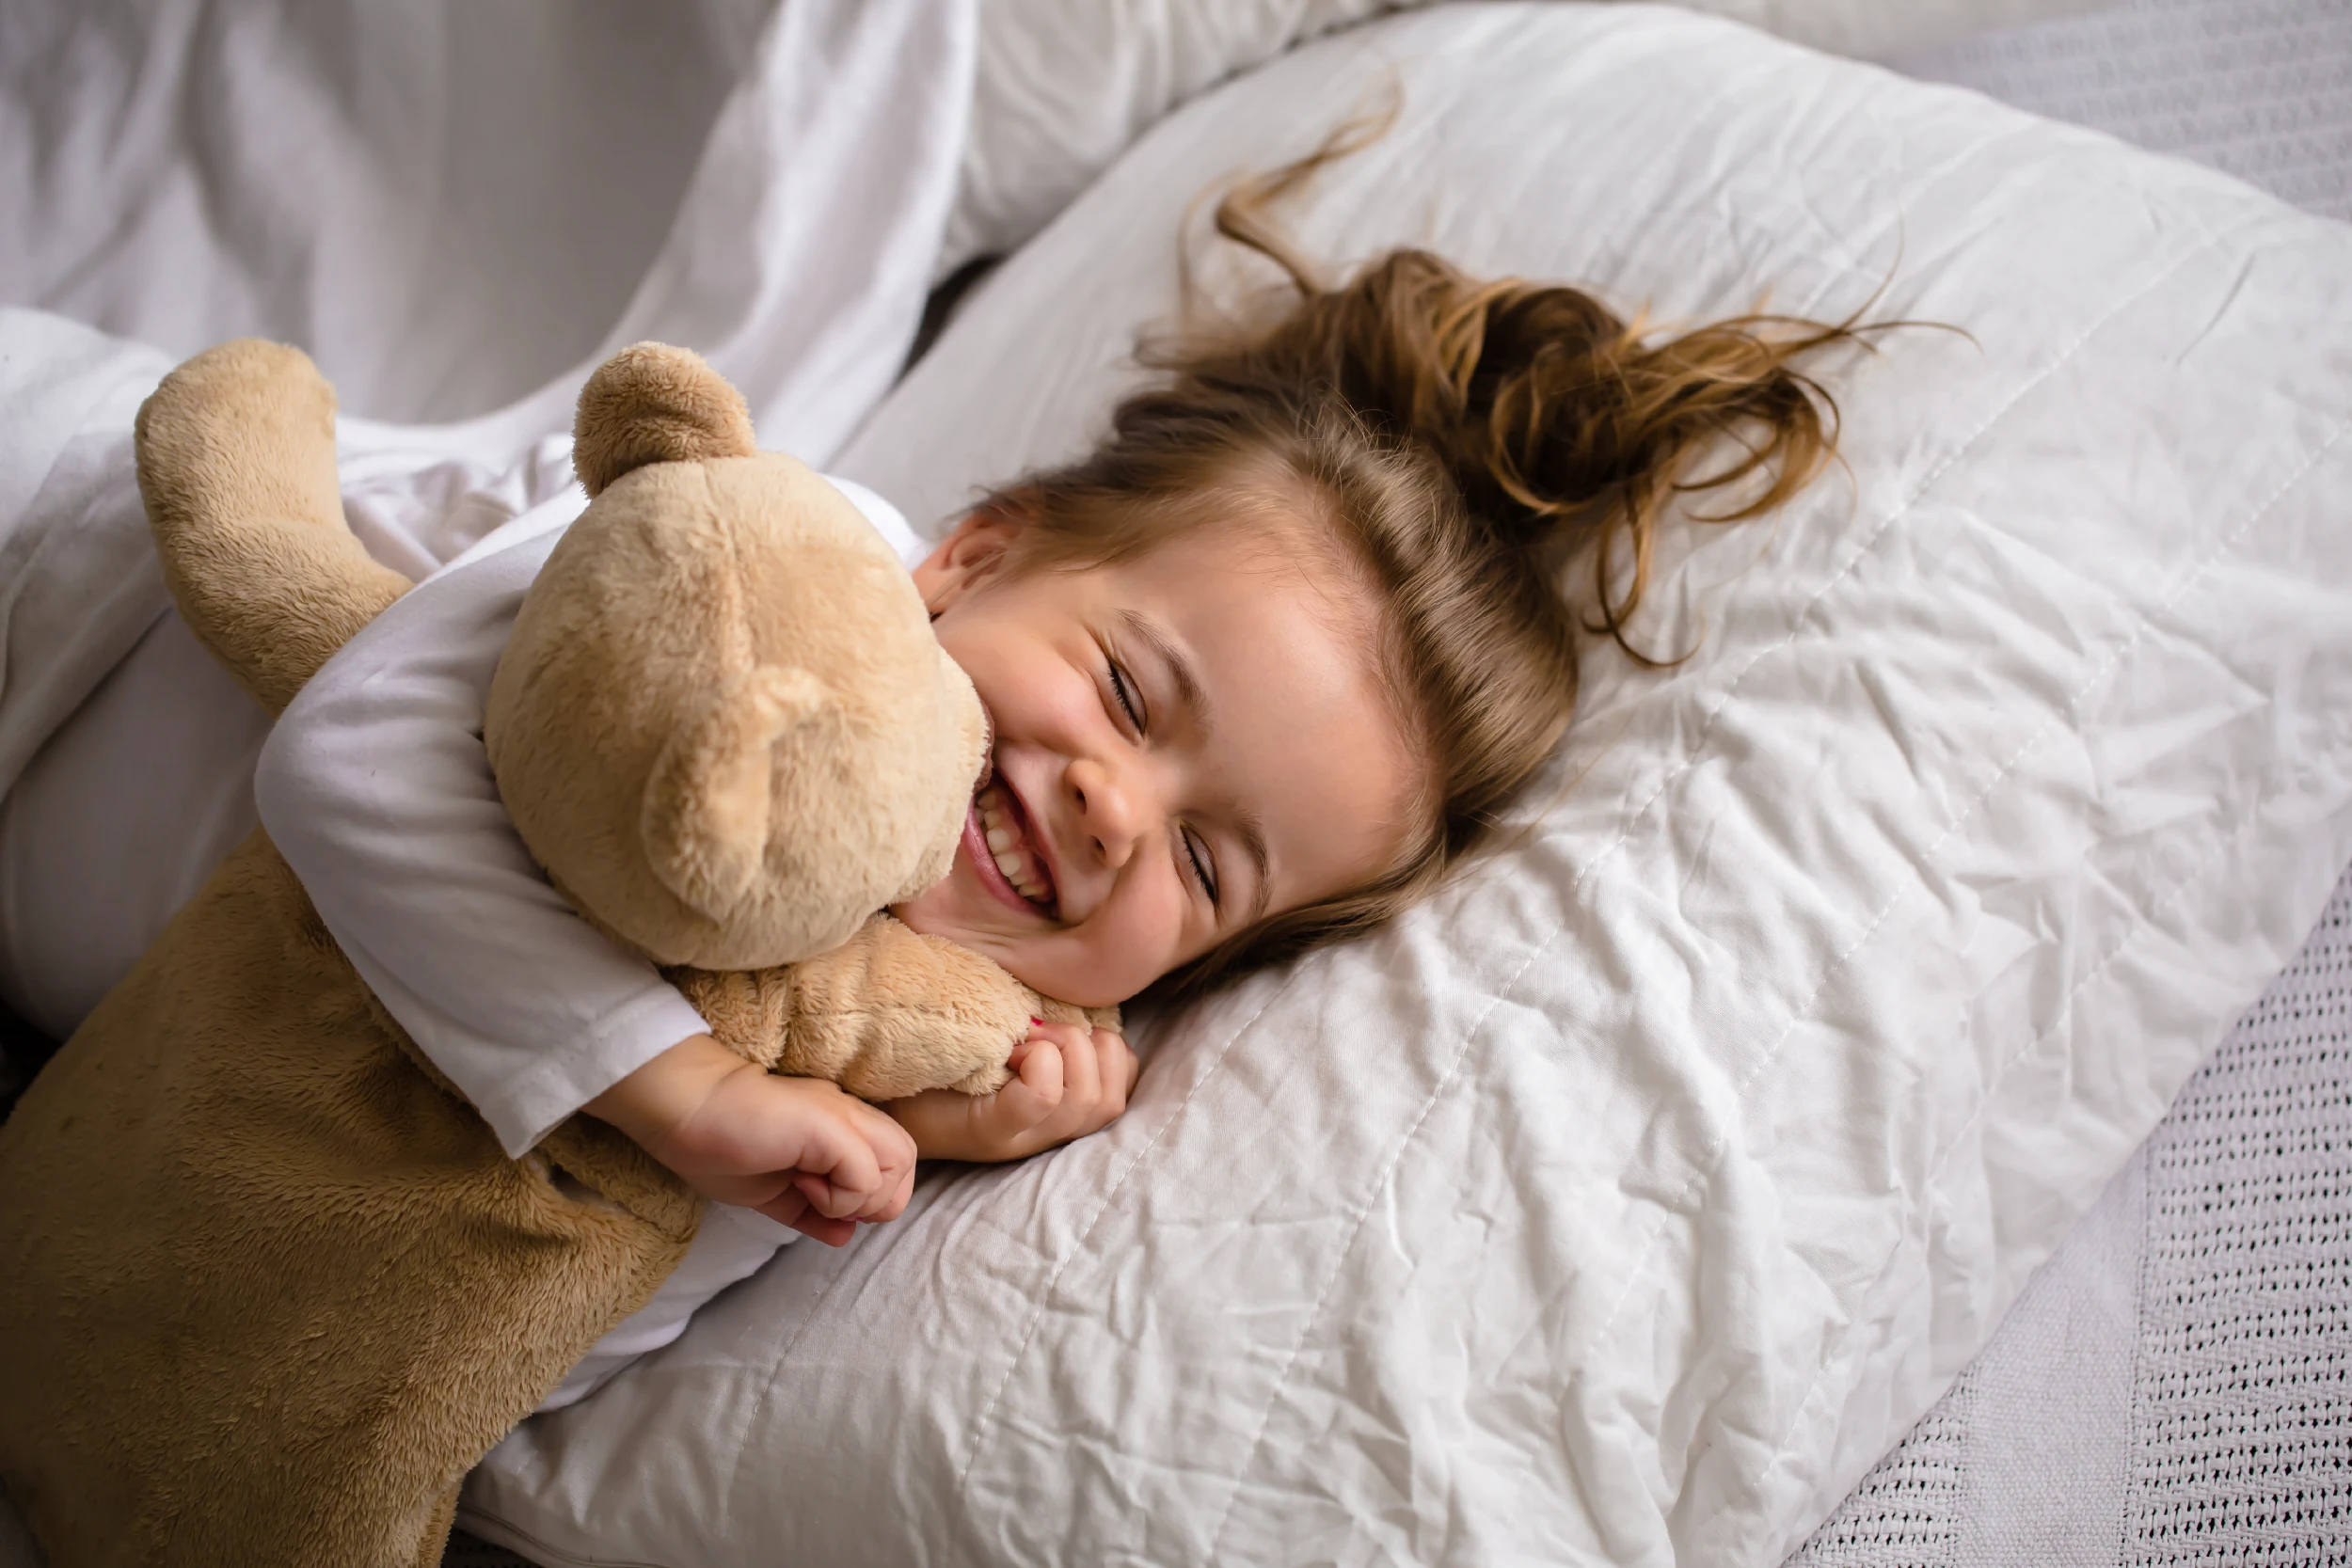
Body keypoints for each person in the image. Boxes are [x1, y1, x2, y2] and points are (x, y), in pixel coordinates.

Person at [36, 176, 1872, 1407]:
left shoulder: (881, 1020)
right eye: (1128, 692)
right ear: (971, 556)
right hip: (66, 588)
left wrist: (883, 1147)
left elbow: (531, 1305)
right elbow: (344, 753)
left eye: (1210, 861)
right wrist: (678, 1091)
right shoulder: (755, 581)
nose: (1111, 812)